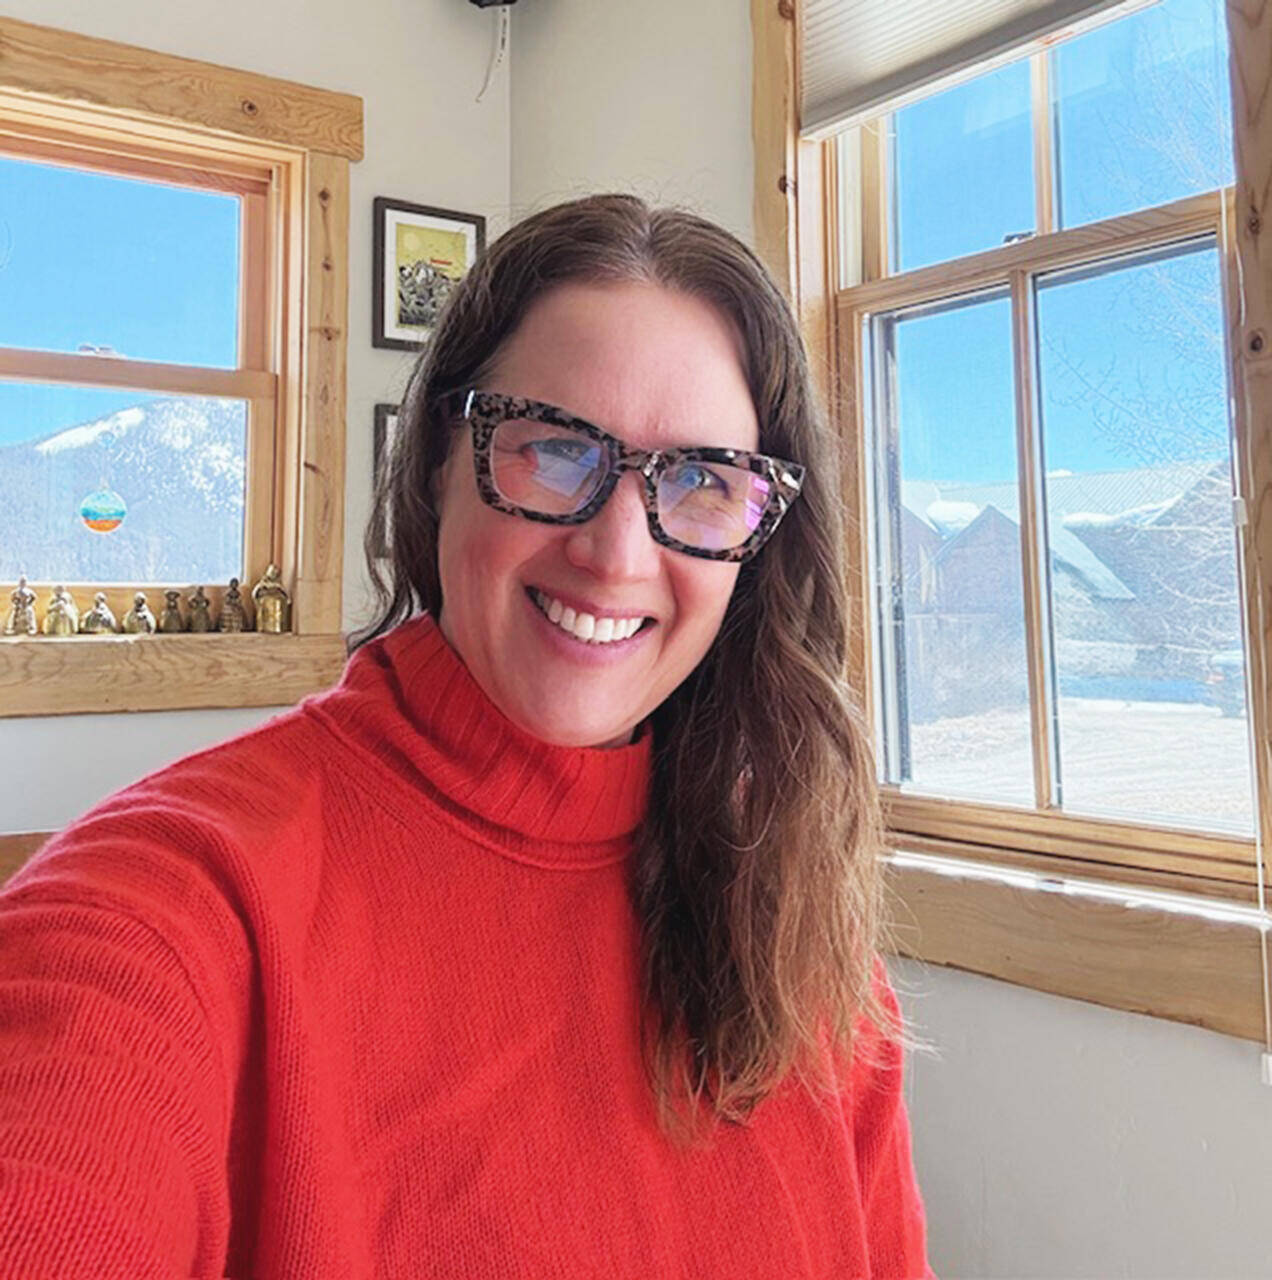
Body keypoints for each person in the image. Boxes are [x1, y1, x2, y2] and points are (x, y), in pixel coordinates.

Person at [0, 193, 935, 1278]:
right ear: (442, 457)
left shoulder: (798, 932)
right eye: (555, 450)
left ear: (757, 538)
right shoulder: (177, 900)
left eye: (702, 479)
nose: (618, 554)